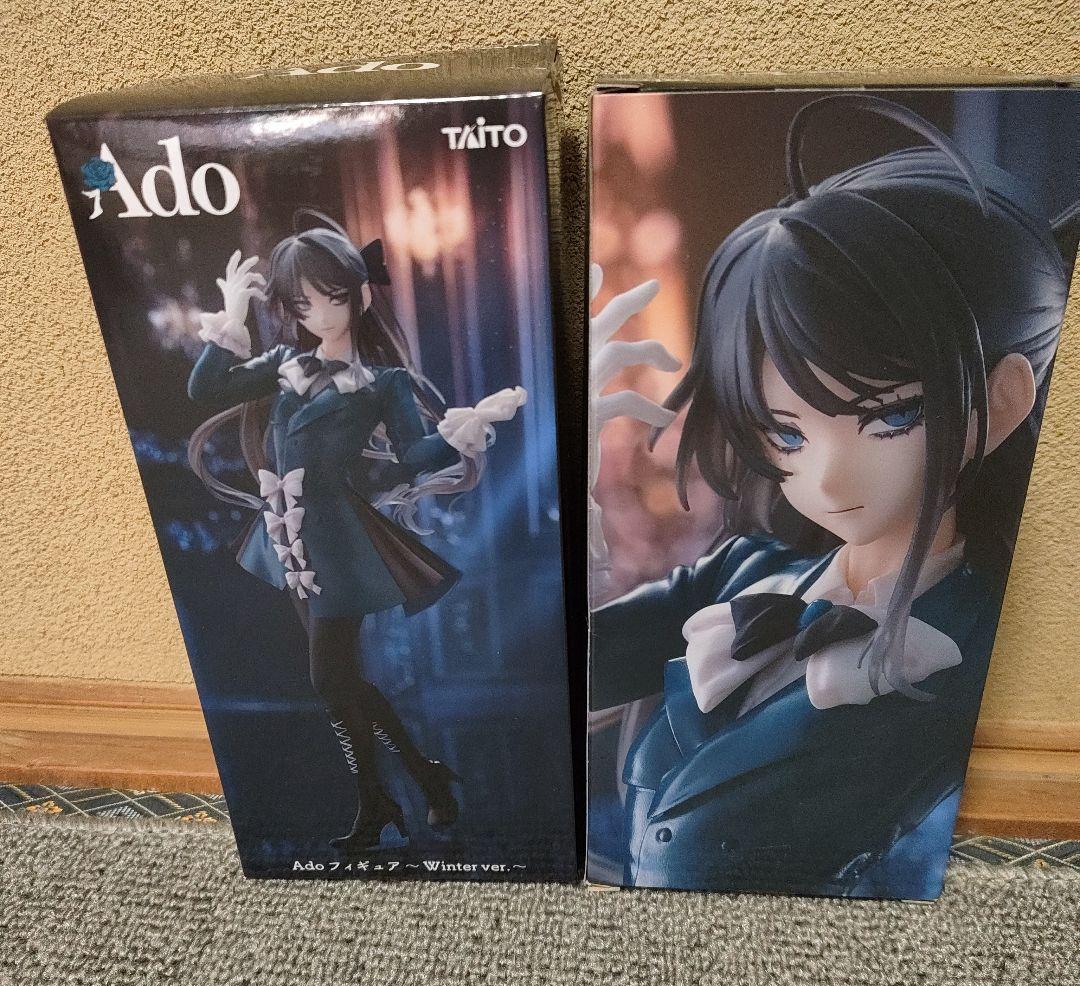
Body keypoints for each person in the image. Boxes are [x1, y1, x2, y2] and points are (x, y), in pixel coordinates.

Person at [589, 95, 1078, 898]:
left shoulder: (994, 638)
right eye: (783, 432)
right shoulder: (743, 572)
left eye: (889, 417)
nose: (826, 477)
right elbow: (564, 669)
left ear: (1001, 406)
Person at [188, 210, 526, 852]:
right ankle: (423, 776)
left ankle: (376, 803)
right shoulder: (285, 364)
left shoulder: (383, 385)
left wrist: (465, 428)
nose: (317, 314)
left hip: (339, 546)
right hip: (288, 541)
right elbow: (205, 390)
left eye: (331, 298)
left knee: (328, 680)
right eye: (302, 304)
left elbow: (411, 457)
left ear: (361, 296)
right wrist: (230, 318)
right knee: (341, 681)